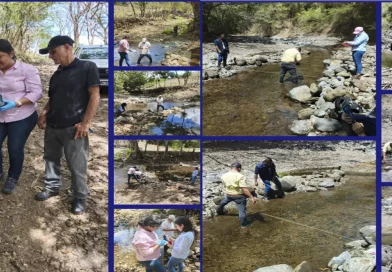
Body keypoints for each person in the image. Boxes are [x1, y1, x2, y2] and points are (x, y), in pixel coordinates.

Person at [35, 35, 100, 215]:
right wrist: (44, 112)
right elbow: (53, 98)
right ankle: (52, 187)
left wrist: (85, 123)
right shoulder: (56, 74)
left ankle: (80, 197)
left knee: (77, 165)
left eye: (53, 51)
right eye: (49, 53)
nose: (50, 56)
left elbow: (95, 96)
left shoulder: (87, 67)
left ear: (67, 47)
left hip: (74, 128)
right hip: (53, 126)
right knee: (50, 158)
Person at [0, 39, 43, 194]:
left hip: (21, 115)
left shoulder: (27, 70)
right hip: (0, 116)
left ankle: (13, 177)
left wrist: (16, 102)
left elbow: (37, 92)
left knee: (15, 147)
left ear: (11, 53)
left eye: (0, 57)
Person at [216, 162, 256, 227]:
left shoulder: (224, 175)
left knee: (223, 202)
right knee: (242, 210)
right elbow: (244, 189)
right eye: (240, 169)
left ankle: (219, 211)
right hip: (239, 196)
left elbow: (224, 185)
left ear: (231, 168)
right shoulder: (240, 176)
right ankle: (243, 224)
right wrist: (252, 197)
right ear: (239, 168)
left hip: (229, 194)